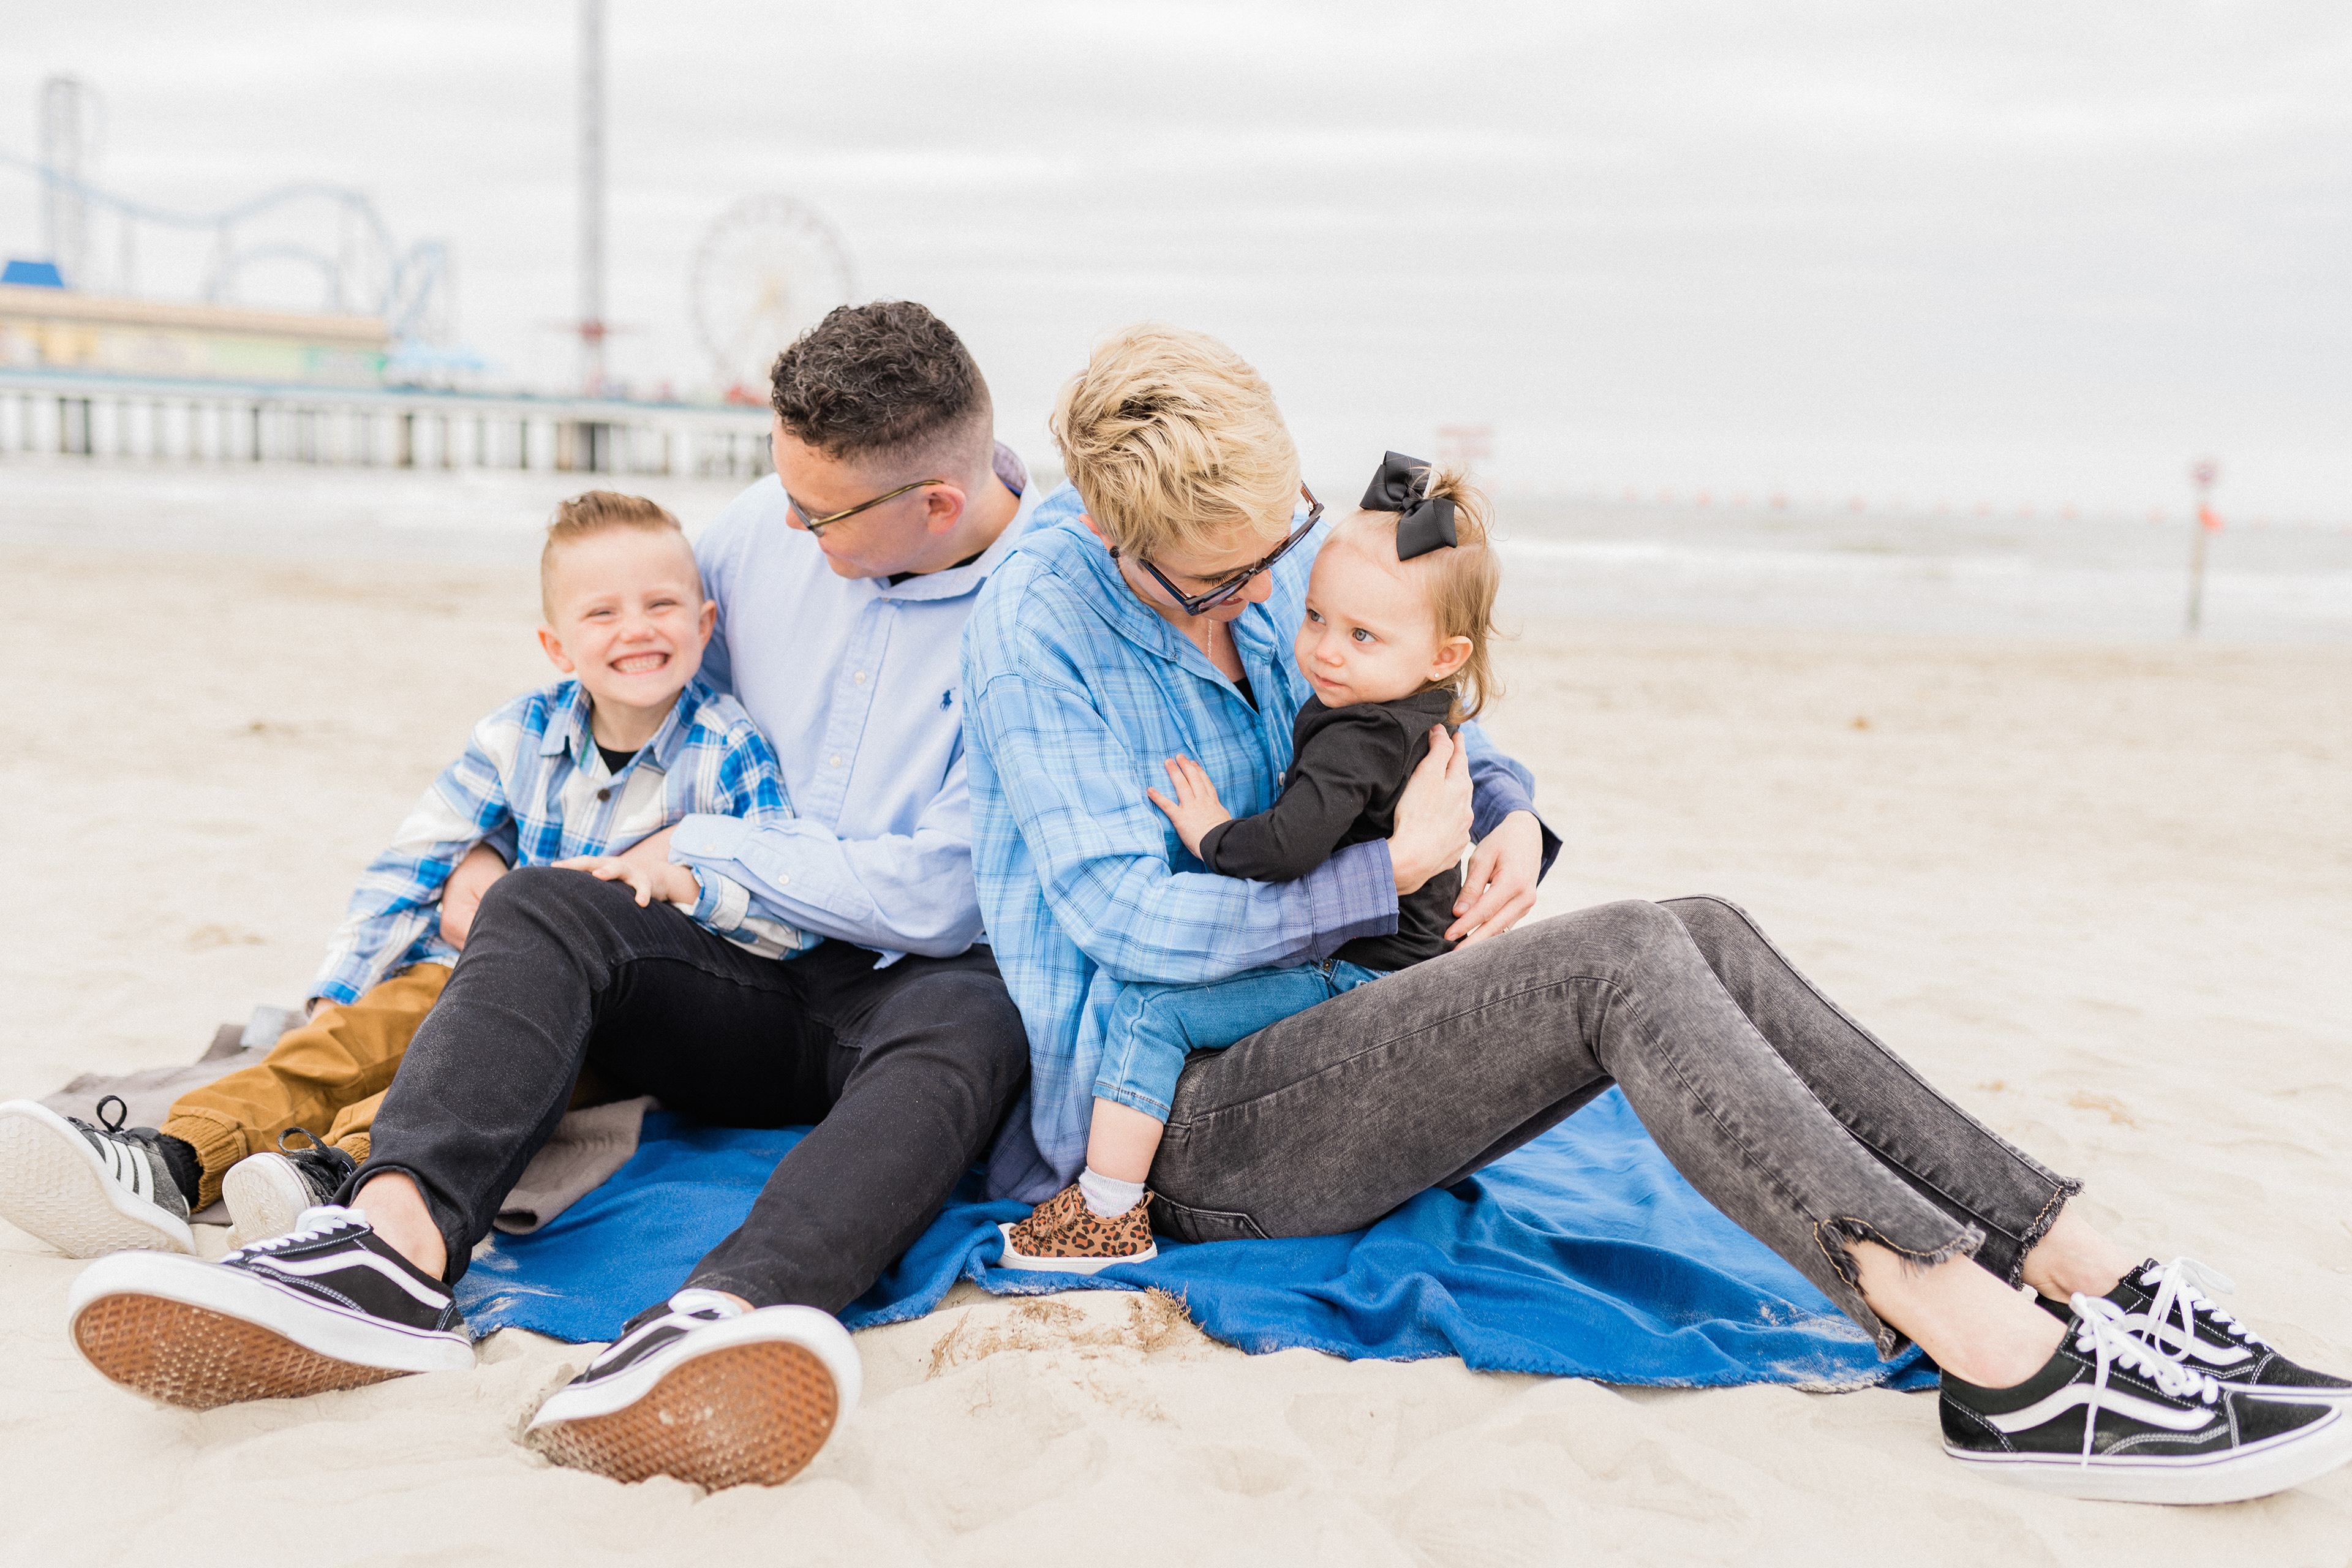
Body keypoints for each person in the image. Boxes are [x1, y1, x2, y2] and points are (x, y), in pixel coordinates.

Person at [961, 323, 2351, 1504]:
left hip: (1344, 1011)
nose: (1274, 594)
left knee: (1708, 926)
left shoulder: (1256, 534)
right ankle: (1995, 1357)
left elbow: (1407, 705)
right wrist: (1379, 879)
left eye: (1286, 542)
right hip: (1187, 1119)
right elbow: (1128, 924)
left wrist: (1509, 811)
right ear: (1120, 534)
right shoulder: (1036, 634)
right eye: (1233, 581)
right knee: (1624, 958)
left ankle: (2082, 1264)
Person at [62, 302, 1039, 1493]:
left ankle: (726, 1314)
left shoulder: (1041, 611)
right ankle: (391, 1252)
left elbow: (942, 894)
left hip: (902, 987)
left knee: (980, 1014)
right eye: (785, 490)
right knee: (541, 898)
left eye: (820, 513)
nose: (788, 524)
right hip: (729, 965)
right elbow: (623, 689)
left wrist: (711, 845)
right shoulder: (767, 526)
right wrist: (484, 851)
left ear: (936, 504)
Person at [0, 491, 808, 1254]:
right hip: (478, 967)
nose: (637, 629)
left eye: (661, 604)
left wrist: (687, 880)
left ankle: (335, 1173)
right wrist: (340, 992)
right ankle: (172, 1160)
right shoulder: (521, 733)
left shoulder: (728, 749)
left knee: (473, 1074)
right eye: (603, 612)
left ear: (704, 622)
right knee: (349, 1042)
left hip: (607, 1012)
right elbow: (416, 859)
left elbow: (783, 896)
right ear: (557, 646)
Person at [996, 451, 1507, 1272]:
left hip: (1362, 971)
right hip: (1401, 961)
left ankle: (1106, 1213)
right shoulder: (1414, 699)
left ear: (1444, 654)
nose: (1325, 652)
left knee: (1148, 1013)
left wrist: (1212, 834)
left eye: (1362, 635)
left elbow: (1288, 847)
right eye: (1317, 618)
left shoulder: (1355, 738)